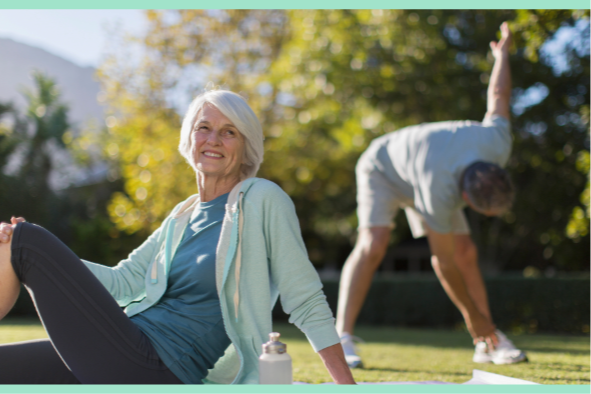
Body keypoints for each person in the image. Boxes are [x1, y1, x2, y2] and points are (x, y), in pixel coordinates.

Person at [0, 90, 355, 384]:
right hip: (122, 347)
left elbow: (305, 298)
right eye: (204, 127)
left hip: (158, 366)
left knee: (27, 240)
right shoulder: (182, 216)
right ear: (190, 138)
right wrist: (54, 265)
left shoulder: (262, 199)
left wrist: (347, 387)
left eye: (230, 132)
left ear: (246, 146)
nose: (214, 139)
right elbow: (123, 282)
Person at [336, 22, 527, 368]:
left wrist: (502, 54)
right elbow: (442, 263)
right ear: (467, 200)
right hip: (383, 167)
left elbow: (499, 96)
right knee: (375, 243)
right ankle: (342, 337)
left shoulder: (495, 143)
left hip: (424, 164)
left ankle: (488, 342)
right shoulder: (438, 188)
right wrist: (471, 315)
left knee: (466, 251)